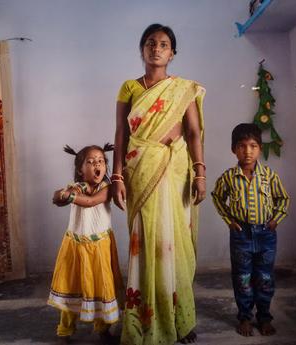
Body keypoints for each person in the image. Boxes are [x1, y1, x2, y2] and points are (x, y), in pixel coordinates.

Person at [112, 23, 206, 345]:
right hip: (140, 170)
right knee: (145, 245)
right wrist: (117, 176)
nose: (156, 48)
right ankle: (144, 320)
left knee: (175, 243)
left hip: (175, 170)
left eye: (163, 44)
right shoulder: (129, 87)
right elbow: (121, 135)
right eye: (150, 43)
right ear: (142, 49)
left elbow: (193, 133)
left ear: (172, 53)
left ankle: (181, 320)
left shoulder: (183, 89)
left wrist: (201, 173)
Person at [211, 123, 290, 337]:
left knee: (264, 277)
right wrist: (229, 220)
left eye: (253, 146)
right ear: (233, 149)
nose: (248, 151)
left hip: (266, 234)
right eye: (242, 146)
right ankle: (245, 317)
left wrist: (276, 220)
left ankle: (264, 317)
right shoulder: (229, 177)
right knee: (243, 278)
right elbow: (217, 197)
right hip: (241, 236)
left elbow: (283, 199)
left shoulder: (269, 176)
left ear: (260, 148)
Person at [48, 143, 123, 344]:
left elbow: (90, 201)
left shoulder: (108, 189)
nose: (96, 164)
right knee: (71, 288)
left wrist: (69, 196)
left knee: (102, 287)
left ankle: (103, 328)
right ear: (81, 170)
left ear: (105, 166)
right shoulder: (77, 187)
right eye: (90, 162)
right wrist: (60, 195)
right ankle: (64, 330)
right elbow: (59, 197)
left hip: (100, 248)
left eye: (100, 161)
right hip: (75, 247)